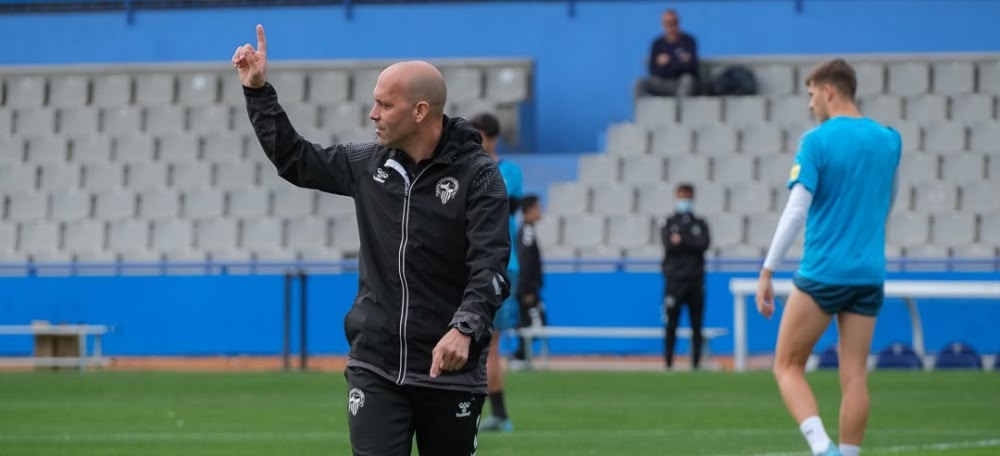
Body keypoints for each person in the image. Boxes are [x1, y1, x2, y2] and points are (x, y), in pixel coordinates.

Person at [233, 25, 512, 456]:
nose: (373, 114)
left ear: (420, 111)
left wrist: (464, 328)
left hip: (450, 369)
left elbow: (490, 266)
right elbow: (295, 160)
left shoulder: (480, 177)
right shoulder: (366, 164)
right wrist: (258, 92)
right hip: (375, 366)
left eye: (384, 104)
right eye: (374, 102)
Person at [755, 59, 901, 456]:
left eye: (811, 94)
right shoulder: (890, 139)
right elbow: (886, 202)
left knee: (786, 366)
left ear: (828, 90)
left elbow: (796, 209)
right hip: (869, 272)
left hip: (823, 271)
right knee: (854, 376)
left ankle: (823, 449)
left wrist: (768, 269)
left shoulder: (816, 140)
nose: (810, 104)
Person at [469, 112, 522, 433]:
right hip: (477, 263)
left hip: (498, 265)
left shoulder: (506, 172)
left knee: (487, 343)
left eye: (479, 136)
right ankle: (490, 413)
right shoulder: (468, 168)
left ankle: (494, 413)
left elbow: (501, 211)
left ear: (491, 138)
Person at [660, 183, 710, 370]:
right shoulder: (668, 222)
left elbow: (703, 244)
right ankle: (668, 363)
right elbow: (669, 244)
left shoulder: (700, 223)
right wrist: (690, 242)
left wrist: (682, 240)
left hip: (696, 280)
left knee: (696, 324)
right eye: (681, 196)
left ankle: (695, 364)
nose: (684, 201)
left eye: (687, 197)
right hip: (674, 280)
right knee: (671, 324)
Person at [635, 9, 699, 99]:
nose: (671, 26)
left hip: (680, 82)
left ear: (678, 23)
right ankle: (641, 111)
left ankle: (679, 112)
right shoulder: (657, 44)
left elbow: (691, 67)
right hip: (663, 83)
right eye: (667, 23)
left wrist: (667, 64)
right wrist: (678, 62)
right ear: (663, 24)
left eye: (673, 22)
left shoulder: (688, 41)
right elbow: (652, 70)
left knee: (687, 79)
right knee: (639, 83)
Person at [514, 194, 547, 359]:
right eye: (538, 207)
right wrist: (526, 290)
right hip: (528, 292)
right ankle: (520, 357)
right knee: (534, 324)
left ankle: (521, 357)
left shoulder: (529, 230)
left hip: (529, 290)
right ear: (530, 210)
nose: (540, 211)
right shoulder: (527, 232)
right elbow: (525, 262)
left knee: (533, 323)